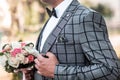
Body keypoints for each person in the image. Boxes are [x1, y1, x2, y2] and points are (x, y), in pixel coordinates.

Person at [25, 0, 120, 80]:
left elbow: (110, 70)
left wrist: (57, 71)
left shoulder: (86, 17)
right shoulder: (51, 19)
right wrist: (34, 72)